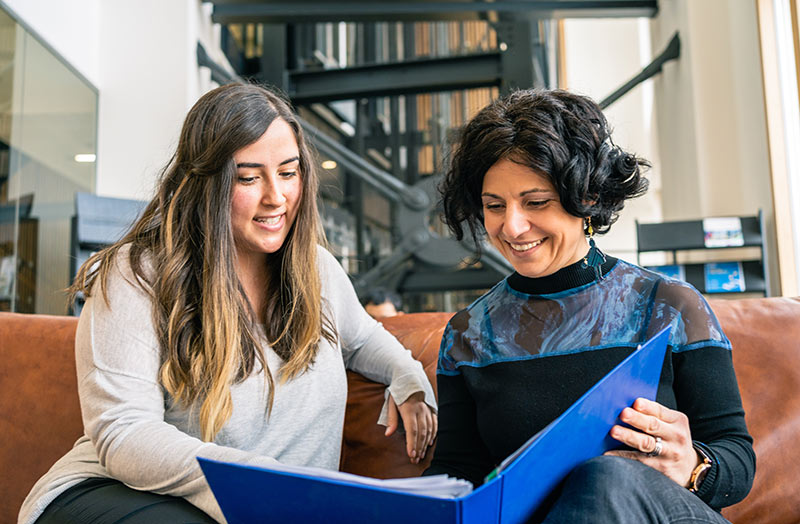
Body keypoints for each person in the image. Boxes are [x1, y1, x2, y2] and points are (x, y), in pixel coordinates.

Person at [20, 83, 436, 524]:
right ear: (207, 183)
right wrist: (259, 482)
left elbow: (364, 337)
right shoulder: (137, 272)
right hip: (114, 494)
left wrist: (407, 376)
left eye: (289, 173)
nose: (276, 197)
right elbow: (124, 432)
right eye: (248, 177)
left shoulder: (315, 269)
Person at [425, 89, 754, 523]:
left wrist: (692, 464)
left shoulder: (669, 306)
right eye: (494, 206)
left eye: (536, 202)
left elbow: (737, 459)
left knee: (606, 478)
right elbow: (459, 473)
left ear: (588, 198)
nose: (512, 225)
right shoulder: (469, 334)